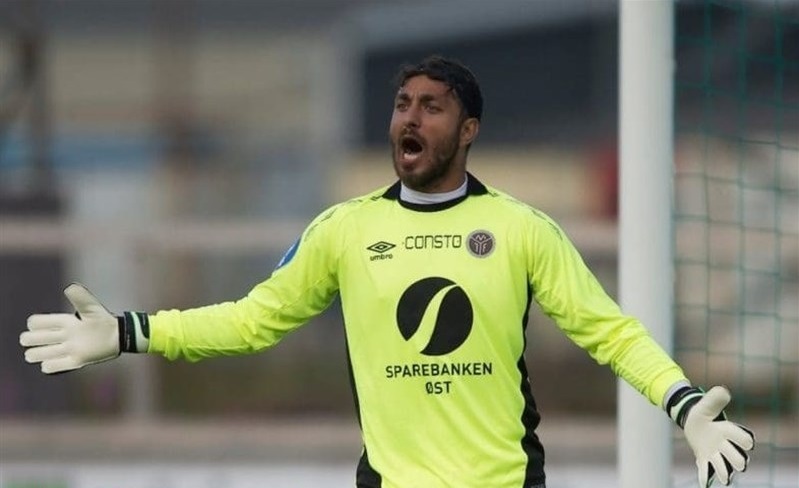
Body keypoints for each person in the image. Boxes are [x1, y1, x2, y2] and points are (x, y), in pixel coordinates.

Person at [20, 55, 754, 488]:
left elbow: (609, 332)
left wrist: (684, 405)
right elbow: (251, 321)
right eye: (403, 104)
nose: (411, 118)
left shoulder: (521, 229)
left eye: (432, 108)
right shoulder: (346, 229)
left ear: (468, 130)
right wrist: (131, 331)